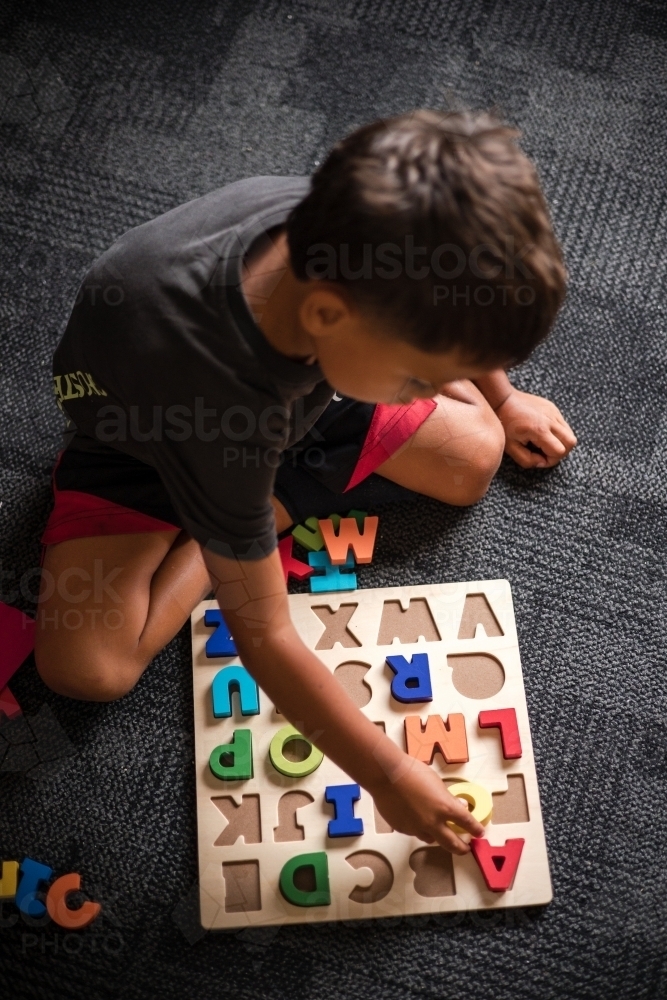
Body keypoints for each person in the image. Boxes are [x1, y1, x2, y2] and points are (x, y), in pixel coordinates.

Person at [35, 110, 576, 854]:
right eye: (422, 375)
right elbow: (262, 629)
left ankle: (262, 506)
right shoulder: (210, 393)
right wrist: (384, 773)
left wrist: (505, 397)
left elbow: (445, 298)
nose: (438, 386)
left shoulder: (348, 214)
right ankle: (244, 515)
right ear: (330, 314)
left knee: (474, 453)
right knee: (87, 669)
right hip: (152, 444)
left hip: (295, 399)